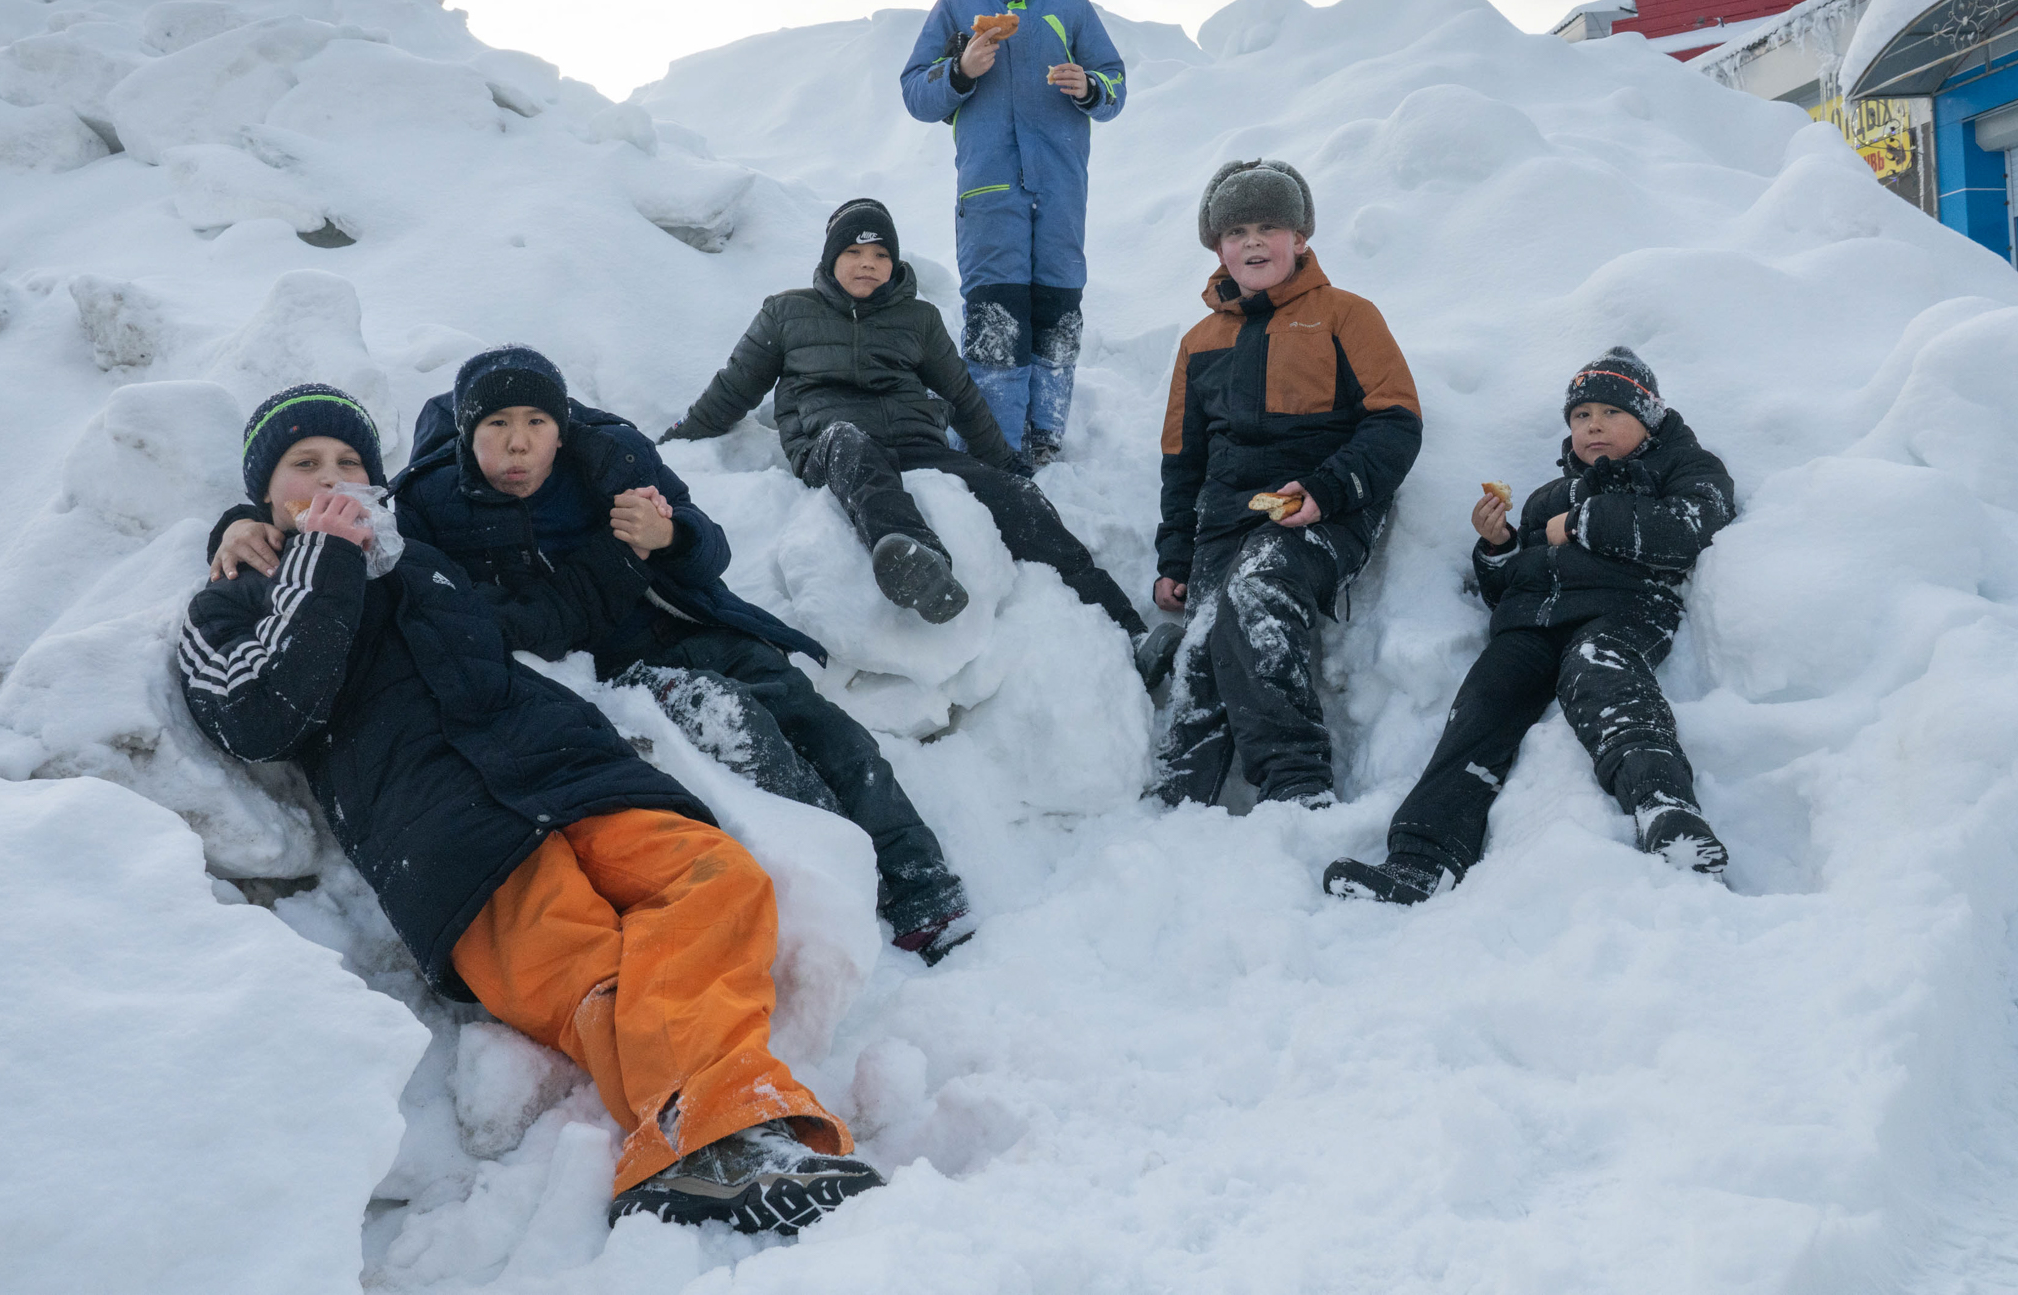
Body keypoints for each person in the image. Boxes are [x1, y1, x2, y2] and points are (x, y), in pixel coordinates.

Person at [179, 384, 880, 1233]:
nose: (332, 478)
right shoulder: (232, 601)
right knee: (588, 973)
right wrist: (311, 556)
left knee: (720, 878)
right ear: (265, 491)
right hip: (444, 834)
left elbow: (536, 585)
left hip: (572, 768)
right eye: (305, 466)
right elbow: (259, 715)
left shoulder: (420, 553)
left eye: (350, 464)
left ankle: (710, 1137)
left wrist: (652, 541)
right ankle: (726, 1138)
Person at [210, 348, 976, 963]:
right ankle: (843, 883)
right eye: (497, 425)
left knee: (811, 714)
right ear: (465, 435)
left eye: (536, 422)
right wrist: (238, 524)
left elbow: (707, 547)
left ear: (561, 425)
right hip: (612, 664)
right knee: (743, 729)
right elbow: (356, 527)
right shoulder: (432, 507)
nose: (517, 442)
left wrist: (669, 539)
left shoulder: (606, 457)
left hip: (684, 622)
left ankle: (918, 880)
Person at [665, 199, 1168, 685]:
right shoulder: (785, 314)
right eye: (854, 253)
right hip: (832, 442)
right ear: (831, 258)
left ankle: (1130, 632)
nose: (869, 265)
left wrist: (1006, 468)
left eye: (881, 254)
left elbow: (963, 397)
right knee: (849, 443)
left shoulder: (919, 319)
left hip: (920, 444)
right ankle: (915, 561)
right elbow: (733, 389)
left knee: (1024, 504)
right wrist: (675, 442)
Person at [1324, 348, 1735, 904]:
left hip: (1622, 609)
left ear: (1650, 418)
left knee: (1602, 672)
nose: (1593, 426)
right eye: (1581, 416)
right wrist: (1499, 548)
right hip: (1532, 624)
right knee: (1481, 705)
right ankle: (1422, 862)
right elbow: (1510, 587)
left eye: (1611, 413)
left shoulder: (1684, 468)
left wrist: (1586, 523)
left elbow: (1689, 528)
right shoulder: (1550, 497)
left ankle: (1666, 808)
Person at [1152, 160, 1422, 809]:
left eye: (1269, 226)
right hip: (1224, 521)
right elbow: (1182, 461)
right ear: (1216, 246)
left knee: (1259, 595)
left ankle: (1299, 790)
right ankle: (1176, 809)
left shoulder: (1346, 316)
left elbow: (1397, 425)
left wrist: (1327, 491)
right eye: (1236, 230)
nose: (1252, 242)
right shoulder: (1199, 342)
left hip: (1323, 513)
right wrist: (1174, 556)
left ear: (1300, 238)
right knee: (1200, 652)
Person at [898, 0, 1126, 470]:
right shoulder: (955, 6)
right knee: (997, 311)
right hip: (989, 188)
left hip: (1059, 186)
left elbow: (1114, 82)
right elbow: (916, 92)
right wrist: (962, 70)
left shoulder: (1069, 7)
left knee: (1056, 306)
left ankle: (1046, 436)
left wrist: (1089, 85)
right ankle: (994, 444)